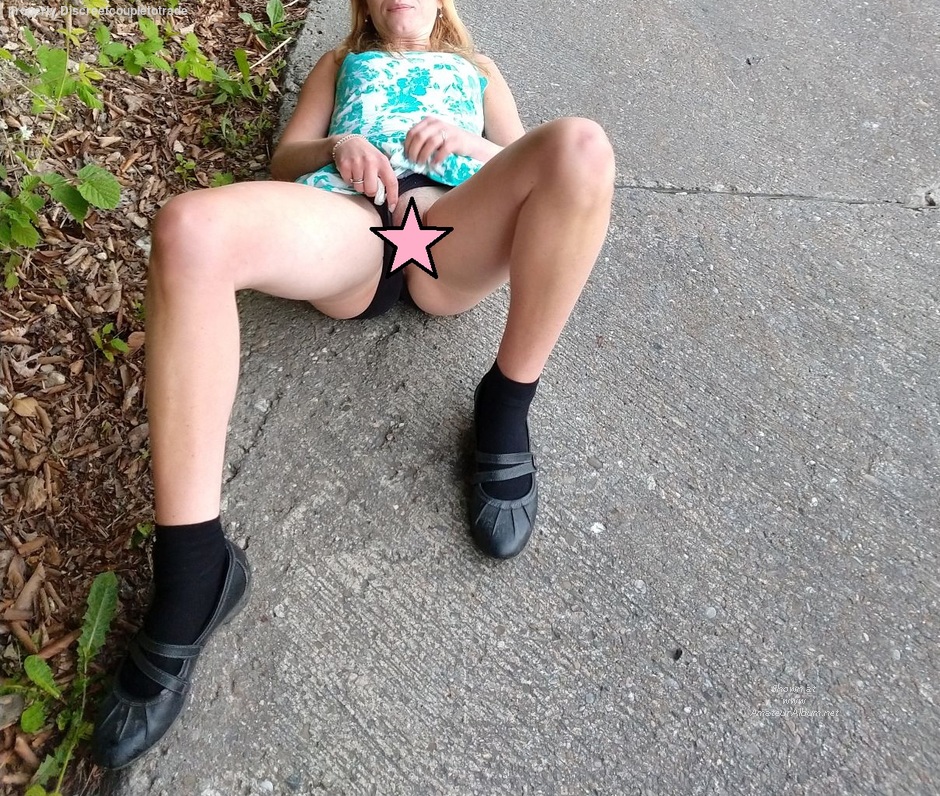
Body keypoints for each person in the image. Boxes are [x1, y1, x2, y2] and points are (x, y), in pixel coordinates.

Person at [92, 0, 615, 770]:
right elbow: (285, 160)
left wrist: (473, 145)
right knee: (188, 231)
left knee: (582, 148)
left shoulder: (477, 70)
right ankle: (194, 571)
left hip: (455, 230)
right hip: (349, 227)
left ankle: (506, 402)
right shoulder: (341, 64)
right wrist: (338, 145)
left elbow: (527, 161)